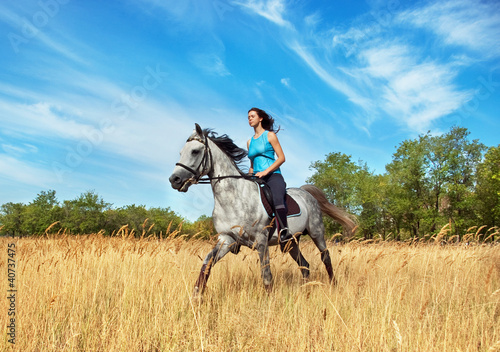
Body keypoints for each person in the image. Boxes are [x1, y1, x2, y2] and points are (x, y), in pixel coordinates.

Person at [247, 107, 292, 246]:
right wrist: (248, 178)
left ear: (260, 118)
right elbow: (252, 165)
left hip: (273, 176)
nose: (249, 118)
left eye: (252, 116)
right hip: (256, 177)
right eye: (248, 117)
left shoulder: (270, 136)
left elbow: (281, 158)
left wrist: (266, 172)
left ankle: (284, 232)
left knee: (277, 198)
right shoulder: (249, 142)